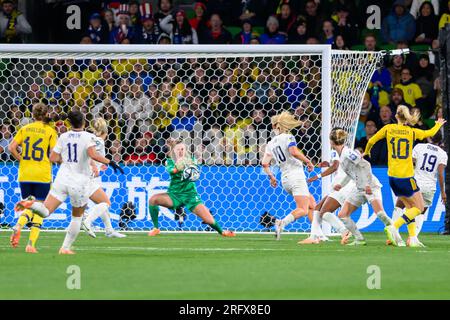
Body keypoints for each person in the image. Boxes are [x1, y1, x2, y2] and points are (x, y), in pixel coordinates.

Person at [14, 110, 124, 254]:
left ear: (69, 123)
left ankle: (31, 204)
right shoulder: (88, 137)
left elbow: (52, 157)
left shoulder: (63, 136)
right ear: (84, 123)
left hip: (62, 178)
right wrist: (110, 162)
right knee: (77, 217)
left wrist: (65, 161)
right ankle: (65, 248)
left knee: (45, 211)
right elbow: (92, 154)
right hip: (79, 182)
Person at [364, 105, 446, 247]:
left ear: (396, 116)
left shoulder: (388, 129)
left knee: (409, 207)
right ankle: (394, 227)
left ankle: (413, 238)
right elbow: (430, 132)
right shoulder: (411, 132)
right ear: (407, 117)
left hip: (392, 177)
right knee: (419, 208)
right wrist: (438, 124)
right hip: (406, 176)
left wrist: (367, 152)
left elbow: (371, 141)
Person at [148, 138, 235, 238]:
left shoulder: (191, 160)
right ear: (174, 151)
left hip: (190, 196)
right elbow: (172, 171)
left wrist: (188, 165)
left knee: (208, 220)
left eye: (182, 149)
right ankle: (156, 228)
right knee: (153, 199)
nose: (180, 152)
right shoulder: (169, 162)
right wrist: (178, 166)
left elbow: (195, 172)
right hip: (174, 195)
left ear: (186, 150)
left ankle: (222, 232)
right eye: (178, 150)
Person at [323, 129, 393, 245]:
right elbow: (351, 172)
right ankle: (359, 239)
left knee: (380, 214)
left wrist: (367, 184)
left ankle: (395, 235)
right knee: (343, 215)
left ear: (331, 142)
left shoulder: (348, 153)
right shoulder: (342, 155)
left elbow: (366, 164)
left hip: (370, 186)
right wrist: (341, 185)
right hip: (359, 188)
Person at [8, 103, 57, 253]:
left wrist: (20, 158)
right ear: (46, 114)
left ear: (33, 114)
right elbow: (54, 154)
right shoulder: (49, 131)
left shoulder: (24, 129)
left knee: (29, 203)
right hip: (42, 174)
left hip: (25, 173)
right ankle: (31, 244)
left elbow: (11, 147)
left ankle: (19, 225)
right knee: (40, 207)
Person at [261, 112, 315, 240]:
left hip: (285, 179)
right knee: (303, 209)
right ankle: (282, 223)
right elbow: (293, 152)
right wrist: (307, 161)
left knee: (312, 204)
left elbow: (264, 163)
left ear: (275, 126)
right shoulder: (288, 137)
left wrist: (272, 177)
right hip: (296, 175)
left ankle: (316, 233)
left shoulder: (270, 143)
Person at [392, 131, 447, 238]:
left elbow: (410, 163)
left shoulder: (419, 147)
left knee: (400, 205)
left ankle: (394, 234)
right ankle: (413, 238)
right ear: (440, 140)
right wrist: (443, 192)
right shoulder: (443, 154)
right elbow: (440, 174)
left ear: (429, 137)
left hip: (415, 183)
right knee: (420, 212)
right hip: (429, 187)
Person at [81, 118, 126, 239]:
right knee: (106, 203)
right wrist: (94, 165)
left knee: (102, 203)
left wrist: (100, 165)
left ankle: (109, 230)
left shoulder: (92, 139)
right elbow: (90, 154)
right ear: (104, 132)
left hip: (86, 177)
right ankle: (87, 220)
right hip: (88, 177)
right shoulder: (99, 141)